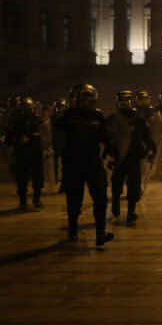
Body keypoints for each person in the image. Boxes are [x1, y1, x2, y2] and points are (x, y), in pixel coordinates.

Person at [54, 84, 114, 247]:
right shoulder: (69, 115)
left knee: (101, 196)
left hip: (93, 162)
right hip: (73, 163)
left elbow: (106, 138)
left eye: (90, 100)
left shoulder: (98, 116)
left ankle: (100, 232)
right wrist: (69, 109)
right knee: (74, 199)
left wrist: (112, 153)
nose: (87, 103)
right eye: (84, 100)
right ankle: (73, 228)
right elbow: (57, 125)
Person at [107, 90, 156, 226]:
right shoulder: (113, 118)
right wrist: (110, 155)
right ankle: (115, 202)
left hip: (133, 156)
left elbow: (147, 135)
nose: (124, 105)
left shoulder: (138, 118)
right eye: (122, 102)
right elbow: (108, 139)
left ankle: (131, 211)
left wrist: (151, 149)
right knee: (116, 183)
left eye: (126, 102)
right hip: (118, 157)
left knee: (134, 184)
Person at [4, 97, 45, 210]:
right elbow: (8, 139)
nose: (29, 111)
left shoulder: (38, 121)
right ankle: (23, 202)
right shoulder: (17, 123)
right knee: (22, 180)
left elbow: (45, 135)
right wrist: (18, 140)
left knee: (38, 179)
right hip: (23, 156)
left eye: (30, 108)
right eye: (27, 109)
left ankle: (37, 199)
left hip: (36, 155)